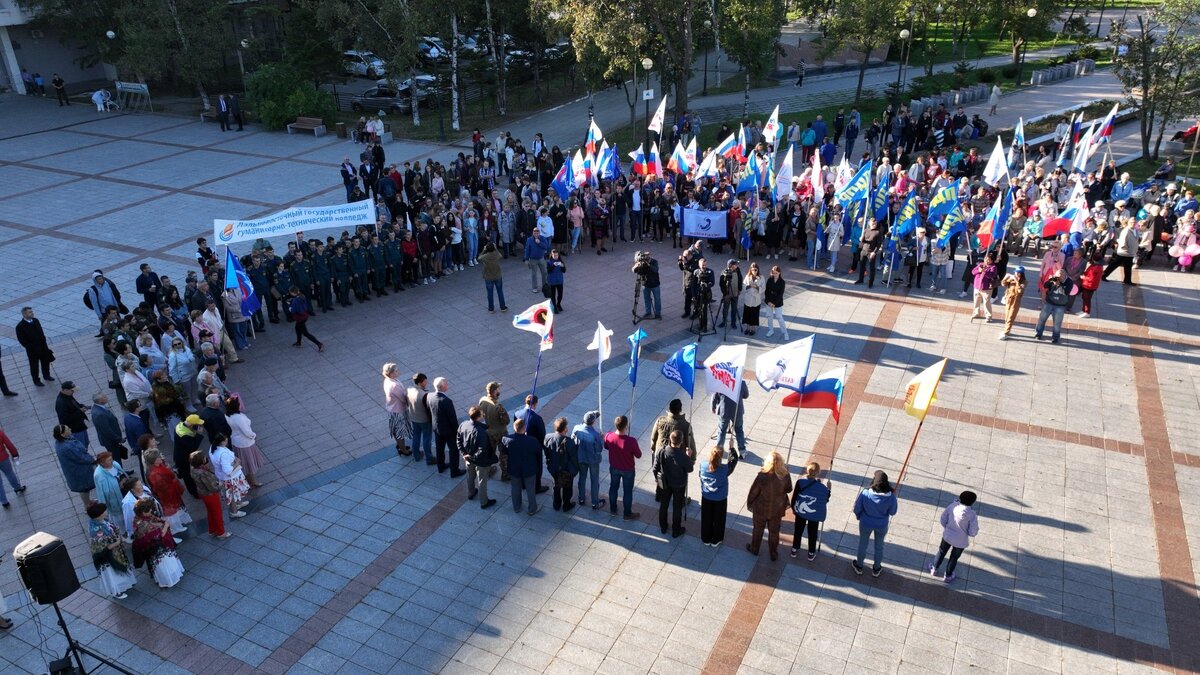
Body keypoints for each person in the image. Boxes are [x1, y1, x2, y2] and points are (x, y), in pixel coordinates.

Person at [745, 451, 793, 561]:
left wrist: (750, 503)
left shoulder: (762, 476)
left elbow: (754, 492)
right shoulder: (785, 475)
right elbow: (789, 489)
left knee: (758, 529)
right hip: (777, 509)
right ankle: (773, 553)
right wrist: (787, 473)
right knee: (774, 532)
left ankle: (754, 548)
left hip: (761, 509)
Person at [131, 498, 186, 588]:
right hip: (156, 549)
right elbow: (157, 537)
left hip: (158, 548)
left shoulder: (139, 518)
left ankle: (171, 577)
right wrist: (165, 526)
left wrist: (160, 524)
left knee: (166, 562)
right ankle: (168, 580)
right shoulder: (142, 524)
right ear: (143, 512)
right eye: (149, 511)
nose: (151, 512)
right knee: (164, 564)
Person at [852, 470, 898, 577]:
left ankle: (859, 566)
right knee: (879, 546)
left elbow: (857, 508)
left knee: (863, 544)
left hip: (865, 523)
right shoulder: (891, 497)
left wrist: (859, 516)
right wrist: (893, 498)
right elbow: (893, 512)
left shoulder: (865, 493)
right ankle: (876, 568)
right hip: (881, 525)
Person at [927, 490, 980, 583]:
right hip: (960, 541)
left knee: (941, 552)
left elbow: (943, 519)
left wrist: (947, 528)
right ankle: (948, 575)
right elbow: (973, 532)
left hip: (947, 536)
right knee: (954, 558)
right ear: (972, 502)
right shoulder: (972, 515)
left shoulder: (952, 506)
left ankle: (934, 568)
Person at [86, 502, 136, 599]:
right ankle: (116, 592)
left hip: (116, 551)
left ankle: (125, 584)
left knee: (119, 571)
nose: (105, 512)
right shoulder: (96, 530)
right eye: (103, 511)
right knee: (113, 574)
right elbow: (102, 548)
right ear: (98, 515)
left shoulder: (100, 521)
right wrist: (117, 543)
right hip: (108, 557)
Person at [143, 443, 191, 537]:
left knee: (175, 511)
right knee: (172, 512)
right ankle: (175, 528)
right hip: (168, 496)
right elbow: (162, 489)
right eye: (158, 457)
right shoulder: (155, 474)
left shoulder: (155, 469)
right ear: (154, 460)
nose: (161, 457)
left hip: (170, 493)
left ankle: (178, 525)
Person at [653, 430, 695, 538]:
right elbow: (690, 469)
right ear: (681, 442)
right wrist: (688, 457)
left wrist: (656, 479)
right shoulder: (683, 456)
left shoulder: (662, 451)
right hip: (679, 485)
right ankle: (676, 530)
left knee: (664, 505)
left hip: (665, 483)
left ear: (670, 440)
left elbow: (655, 468)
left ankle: (663, 526)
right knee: (677, 507)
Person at [789, 462, 831, 560]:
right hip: (814, 513)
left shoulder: (800, 482)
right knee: (812, 533)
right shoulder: (822, 488)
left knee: (798, 530)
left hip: (801, 512)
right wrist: (829, 489)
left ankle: (794, 549)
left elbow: (794, 496)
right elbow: (825, 499)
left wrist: (794, 509)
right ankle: (811, 553)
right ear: (818, 473)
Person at [457, 406, 497, 509]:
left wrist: (464, 454)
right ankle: (484, 502)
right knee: (482, 481)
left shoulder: (463, 424)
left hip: (468, 458)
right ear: (478, 417)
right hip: (479, 461)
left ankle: (471, 492)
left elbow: (458, 440)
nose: (483, 415)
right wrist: (472, 457)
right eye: (482, 413)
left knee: (470, 476)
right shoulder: (481, 432)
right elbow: (482, 449)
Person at [603, 415, 641, 520]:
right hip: (628, 470)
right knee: (627, 491)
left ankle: (613, 509)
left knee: (613, 488)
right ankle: (627, 514)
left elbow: (606, 446)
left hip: (614, 467)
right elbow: (638, 455)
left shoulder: (609, 436)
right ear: (626, 426)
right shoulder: (631, 441)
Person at [501, 418, 542, 515]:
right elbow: (538, 453)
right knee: (530, 489)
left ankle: (517, 507)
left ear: (514, 428)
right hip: (529, 469)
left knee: (515, 487)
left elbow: (504, 451)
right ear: (525, 428)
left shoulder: (506, 439)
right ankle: (532, 509)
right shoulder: (532, 440)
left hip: (514, 468)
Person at [698, 446, 738, 546]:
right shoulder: (724, 469)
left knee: (706, 517)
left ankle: (706, 538)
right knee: (719, 518)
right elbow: (733, 461)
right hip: (720, 498)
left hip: (706, 496)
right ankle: (716, 539)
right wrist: (732, 449)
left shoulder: (703, 466)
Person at [226, 396, 266, 488]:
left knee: (245, 463)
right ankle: (252, 482)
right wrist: (254, 436)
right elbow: (247, 432)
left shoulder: (228, 415)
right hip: (245, 443)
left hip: (236, 441)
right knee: (248, 464)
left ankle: (250, 480)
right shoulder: (239, 418)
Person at [54, 424, 95, 506]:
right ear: (62, 434)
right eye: (67, 429)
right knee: (84, 489)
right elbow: (81, 457)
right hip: (79, 471)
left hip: (75, 470)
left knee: (83, 489)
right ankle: (87, 505)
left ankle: (88, 502)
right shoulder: (67, 447)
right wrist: (92, 460)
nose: (70, 429)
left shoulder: (60, 442)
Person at [191, 451, 229, 539]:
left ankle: (212, 530)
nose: (205, 458)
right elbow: (212, 487)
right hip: (211, 495)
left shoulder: (193, 470)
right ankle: (221, 532)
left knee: (211, 512)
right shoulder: (203, 473)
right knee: (217, 513)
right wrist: (220, 485)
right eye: (203, 457)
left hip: (203, 494)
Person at [209, 433, 249, 519]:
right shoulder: (223, 454)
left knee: (234, 493)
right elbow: (227, 470)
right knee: (232, 495)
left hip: (222, 476)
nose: (227, 441)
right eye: (225, 440)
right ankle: (234, 512)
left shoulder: (212, 448)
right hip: (230, 478)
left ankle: (238, 504)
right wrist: (237, 463)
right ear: (221, 442)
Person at [430, 377, 464, 476]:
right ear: (442, 387)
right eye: (446, 383)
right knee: (453, 449)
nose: (448, 385)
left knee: (439, 449)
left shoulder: (430, 397)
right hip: (449, 430)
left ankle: (440, 466)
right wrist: (458, 431)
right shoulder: (446, 401)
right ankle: (454, 471)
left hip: (437, 428)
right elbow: (452, 418)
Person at [571, 410, 605, 509]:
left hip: (581, 457)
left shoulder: (577, 428)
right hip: (593, 460)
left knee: (582, 477)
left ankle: (581, 498)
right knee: (594, 480)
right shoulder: (595, 435)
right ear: (593, 422)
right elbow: (599, 449)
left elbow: (573, 439)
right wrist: (602, 439)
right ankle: (595, 502)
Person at [545, 417, 580, 512]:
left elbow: (546, 452)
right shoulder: (569, 442)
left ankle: (556, 504)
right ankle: (566, 505)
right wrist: (574, 471)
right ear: (565, 429)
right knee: (567, 488)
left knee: (556, 486)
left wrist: (549, 463)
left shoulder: (548, 437)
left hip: (554, 468)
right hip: (566, 470)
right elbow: (574, 459)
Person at [15, 307, 54, 386]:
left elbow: (41, 333)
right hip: (33, 351)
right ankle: (36, 380)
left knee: (45, 362)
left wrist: (45, 345)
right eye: (30, 312)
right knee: (34, 366)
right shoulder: (20, 326)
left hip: (43, 347)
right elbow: (23, 341)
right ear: (24, 314)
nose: (32, 313)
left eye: (32, 311)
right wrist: (32, 347)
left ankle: (46, 375)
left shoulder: (36, 320)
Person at [478, 382, 510, 480]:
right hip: (501, 433)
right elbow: (506, 421)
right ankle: (505, 474)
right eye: (498, 389)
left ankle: (488, 470)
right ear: (495, 391)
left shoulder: (482, 401)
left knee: (489, 452)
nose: (499, 391)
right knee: (504, 454)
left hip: (489, 432)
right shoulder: (498, 407)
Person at [1035, 269, 1073, 344]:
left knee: (1057, 323)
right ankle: (1038, 334)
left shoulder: (1069, 282)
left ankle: (1055, 337)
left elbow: (1067, 292)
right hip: (1049, 303)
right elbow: (1045, 286)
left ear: (1064, 275)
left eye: (1061, 276)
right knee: (1042, 319)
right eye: (1057, 276)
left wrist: (1059, 284)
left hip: (1060, 306)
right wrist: (1050, 280)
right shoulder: (1053, 279)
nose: (1059, 278)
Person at [382, 363, 412, 456]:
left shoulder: (388, 380)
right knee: (400, 431)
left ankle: (400, 445)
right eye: (396, 370)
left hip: (392, 409)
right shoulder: (394, 385)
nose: (398, 371)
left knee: (396, 429)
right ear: (391, 373)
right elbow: (403, 399)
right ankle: (403, 450)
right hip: (398, 411)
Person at [713, 380, 749, 458]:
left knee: (722, 430)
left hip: (724, 410)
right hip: (737, 411)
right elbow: (746, 395)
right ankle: (742, 451)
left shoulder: (721, 381)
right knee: (739, 429)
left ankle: (719, 451)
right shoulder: (741, 382)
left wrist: (713, 406)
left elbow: (715, 396)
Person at [93, 451, 127, 534]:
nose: (112, 461)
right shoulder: (98, 475)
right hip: (114, 499)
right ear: (102, 463)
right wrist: (103, 507)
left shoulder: (115, 464)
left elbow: (123, 474)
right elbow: (100, 492)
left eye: (111, 459)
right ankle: (123, 533)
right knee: (119, 518)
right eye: (109, 460)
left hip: (124, 492)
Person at [1102, 218, 1138, 285]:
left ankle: (1127, 280)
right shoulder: (1126, 231)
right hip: (1124, 252)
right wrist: (1127, 248)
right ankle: (1103, 275)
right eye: (1132, 222)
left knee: (1128, 266)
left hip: (1130, 253)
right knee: (1115, 264)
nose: (1133, 223)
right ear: (1128, 223)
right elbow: (1122, 242)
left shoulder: (1135, 230)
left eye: (1135, 222)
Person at [91, 393, 125, 461]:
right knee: (116, 457)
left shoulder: (98, 408)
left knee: (117, 456)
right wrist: (118, 439)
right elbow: (106, 430)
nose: (107, 397)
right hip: (110, 441)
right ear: (100, 401)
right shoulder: (100, 414)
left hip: (110, 440)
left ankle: (120, 470)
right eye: (104, 397)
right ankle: (119, 471)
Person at [56, 381, 91, 448]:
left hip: (80, 426)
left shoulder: (68, 396)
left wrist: (82, 406)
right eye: (72, 390)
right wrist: (80, 411)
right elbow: (64, 420)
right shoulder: (61, 403)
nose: (73, 392)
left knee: (86, 443)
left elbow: (75, 405)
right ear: (65, 390)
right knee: (81, 446)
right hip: (75, 430)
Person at [407, 373, 432, 464]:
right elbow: (428, 409)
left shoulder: (409, 390)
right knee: (426, 438)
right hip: (424, 420)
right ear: (420, 383)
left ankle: (416, 455)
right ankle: (429, 458)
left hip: (413, 417)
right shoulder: (424, 395)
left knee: (416, 436)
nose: (427, 382)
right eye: (425, 381)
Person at [0, 425, 26, 508]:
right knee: (9, 473)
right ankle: (17, 488)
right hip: (3, 458)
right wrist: (15, 454)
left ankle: (4, 502)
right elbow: (9, 444)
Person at [998, 266, 1027, 341]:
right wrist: (1005, 278)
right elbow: (1003, 284)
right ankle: (1006, 330)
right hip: (1008, 299)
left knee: (1011, 317)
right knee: (1007, 316)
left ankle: (1006, 333)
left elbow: (1020, 291)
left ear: (1020, 274)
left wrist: (1017, 281)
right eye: (1015, 272)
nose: (1015, 273)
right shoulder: (1011, 279)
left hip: (1016, 301)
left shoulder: (1024, 282)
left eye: (1017, 272)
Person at [479, 243, 508, 312]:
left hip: (488, 277)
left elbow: (479, 258)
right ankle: (503, 307)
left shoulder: (485, 256)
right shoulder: (496, 254)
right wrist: (496, 248)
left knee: (490, 293)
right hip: (497, 276)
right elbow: (500, 255)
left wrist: (483, 250)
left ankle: (491, 308)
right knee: (500, 291)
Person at [632, 252, 662, 319]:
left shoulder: (654, 261)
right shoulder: (641, 262)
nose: (647, 257)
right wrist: (637, 265)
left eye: (648, 256)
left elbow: (656, 269)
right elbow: (633, 270)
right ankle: (648, 312)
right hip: (645, 284)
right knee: (646, 299)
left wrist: (648, 265)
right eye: (645, 256)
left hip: (655, 284)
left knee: (657, 299)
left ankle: (658, 313)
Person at [762, 265, 789, 340]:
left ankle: (785, 332)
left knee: (779, 317)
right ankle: (771, 330)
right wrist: (768, 302)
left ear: (779, 273)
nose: (774, 274)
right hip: (769, 301)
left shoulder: (782, 282)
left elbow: (781, 294)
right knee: (769, 317)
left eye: (776, 273)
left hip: (777, 302)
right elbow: (766, 291)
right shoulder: (770, 280)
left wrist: (774, 303)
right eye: (773, 273)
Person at [970, 253, 998, 321]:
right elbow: (973, 271)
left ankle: (988, 316)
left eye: (989, 260)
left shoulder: (993, 267)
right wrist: (979, 270)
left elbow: (992, 275)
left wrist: (984, 271)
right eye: (986, 259)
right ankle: (976, 313)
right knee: (976, 301)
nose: (987, 260)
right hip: (977, 286)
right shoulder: (981, 264)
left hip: (986, 288)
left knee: (986, 302)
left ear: (992, 261)